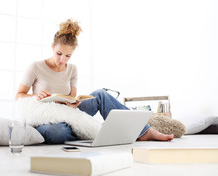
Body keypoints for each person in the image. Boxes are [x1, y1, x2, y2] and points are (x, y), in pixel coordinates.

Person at [15, 19, 174, 144]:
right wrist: (37, 97)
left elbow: (73, 98)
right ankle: (97, 131)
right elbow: (19, 96)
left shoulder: (72, 69)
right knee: (56, 132)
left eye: (68, 56)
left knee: (100, 94)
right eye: (59, 53)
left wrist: (73, 103)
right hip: (48, 117)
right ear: (52, 47)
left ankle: (144, 131)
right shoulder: (36, 67)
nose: (62, 59)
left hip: (69, 113)